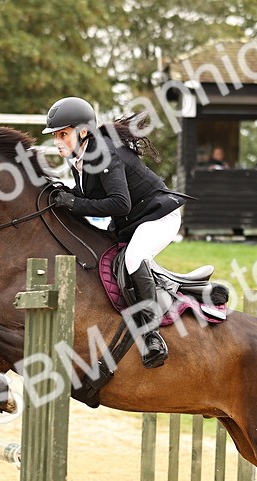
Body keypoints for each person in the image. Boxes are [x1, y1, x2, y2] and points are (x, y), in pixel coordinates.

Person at [43, 96, 187, 368]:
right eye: (55, 136)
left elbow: (120, 204)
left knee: (133, 259)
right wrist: (64, 193)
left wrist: (73, 203)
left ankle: (152, 333)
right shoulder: (81, 157)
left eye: (63, 134)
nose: (57, 141)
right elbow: (93, 195)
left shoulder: (104, 153)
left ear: (83, 132)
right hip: (134, 220)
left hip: (160, 218)